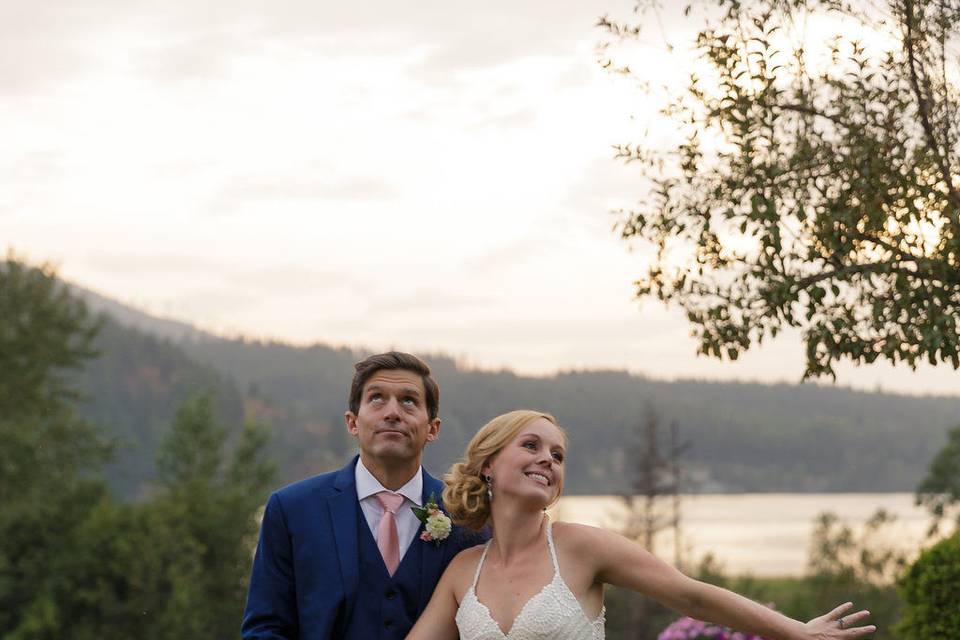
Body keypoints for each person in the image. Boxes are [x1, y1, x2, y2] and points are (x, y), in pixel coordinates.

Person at [406, 410, 877, 640]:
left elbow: (691, 595)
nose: (547, 459)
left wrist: (796, 631)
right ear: (488, 464)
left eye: (558, 455)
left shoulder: (582, 548)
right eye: (531, 446)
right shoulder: (463, 570)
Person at [242, 351, 485, 640]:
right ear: (352, 422)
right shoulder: (292, 509)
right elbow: (265, 628)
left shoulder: (468, 515)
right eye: (377, 398)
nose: (392, 412)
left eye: (409, 401)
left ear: (432, 428)